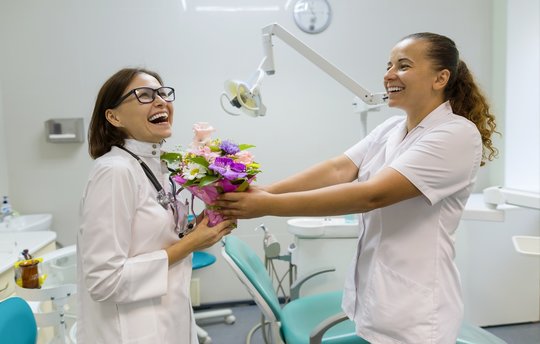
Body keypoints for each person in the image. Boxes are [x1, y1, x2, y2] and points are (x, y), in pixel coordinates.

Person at [217, 33, 498, 343]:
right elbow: (340, 168)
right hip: (376, 294)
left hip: (417, 309)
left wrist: (268, 207)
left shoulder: (455, 134)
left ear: (440, 77)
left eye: (403, 66)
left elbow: (372, 195)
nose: (389, 74)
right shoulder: (392, 128)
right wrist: (268, 192)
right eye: (389, 64)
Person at [77, 67, 235, 344]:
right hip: (131, 330)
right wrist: (190, 245)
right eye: (144, 95)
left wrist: (194, 230)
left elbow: (151, 239)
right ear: (113, 116)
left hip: (167, 318)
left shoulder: (155, 165)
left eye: (163, 93)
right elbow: (104, 281)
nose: (161, 100)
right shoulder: (115, 171)